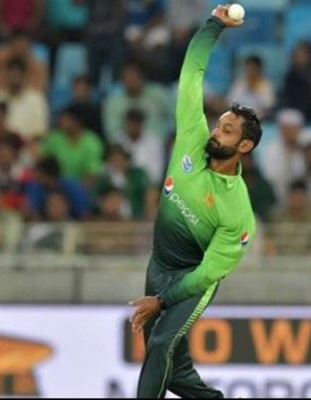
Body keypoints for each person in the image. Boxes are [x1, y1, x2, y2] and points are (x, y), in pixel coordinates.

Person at [128, 6, 261, 398]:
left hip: (191, 280)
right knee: (175, 372)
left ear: (244, 146)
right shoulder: (192, 136)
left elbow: (206, 276)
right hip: (159, 265)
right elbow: (191, 75)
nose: (217, 132)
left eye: (228, 131)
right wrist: (213, 26)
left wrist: (162, 300)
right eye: (219, 125)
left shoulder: (237, 212)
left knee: (159, 345)